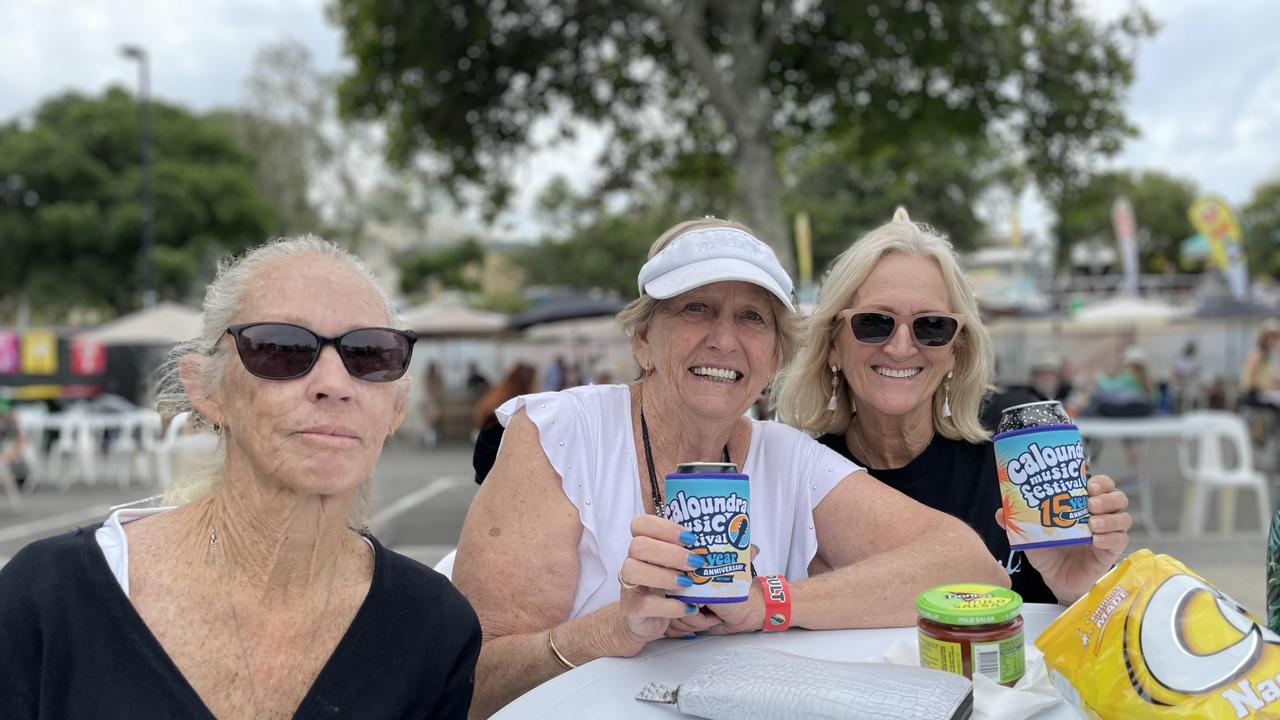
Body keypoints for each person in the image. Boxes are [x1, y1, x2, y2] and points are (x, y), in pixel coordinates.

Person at [452, 218, 1007, 717]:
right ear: (645, 338)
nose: (724, 338)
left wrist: (768, 602)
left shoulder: (787, 457)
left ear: (774, 359)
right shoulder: (561, 434)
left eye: (751, 317)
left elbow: (972, 569)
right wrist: (612, 628)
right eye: (695, 308)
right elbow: (472, 684)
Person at [0, 237, 481, 719]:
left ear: (395, 408)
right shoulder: (49, 599)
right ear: (205, 390)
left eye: (371, 354)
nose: (334, 385)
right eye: (281, 348)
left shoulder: (431, 628)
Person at [774, 209, 1131, 606]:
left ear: (956, 351)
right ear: (832, 345)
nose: (900, 347)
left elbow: (1101, 625)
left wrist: (1076, 588)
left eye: (931, 326)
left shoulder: (1014, 448)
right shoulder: (802, 477)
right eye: (874, 322)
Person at [471, 362, 538, 484]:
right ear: (528, 383)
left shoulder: (497, 402)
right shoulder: (520, 413)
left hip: (491, 481)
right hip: (507, 483)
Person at [1240, 319, 1280, 410]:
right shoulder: (1257, 355)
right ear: (1263, 338)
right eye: (1270, 337)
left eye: (1275, 337)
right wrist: (1269, 388)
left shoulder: (1267, 357)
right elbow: (1251, 383)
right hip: (1253, 395)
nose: (1273, 341)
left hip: (1262, 394)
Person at [422, 362, 445, 448]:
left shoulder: (437, 378)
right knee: (430, 423)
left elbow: (440, 389)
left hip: (435, 402)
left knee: (435, 422)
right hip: (431, 402)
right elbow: (427, 388)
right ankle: (429, 442)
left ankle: (434, 441)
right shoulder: (428, 378)